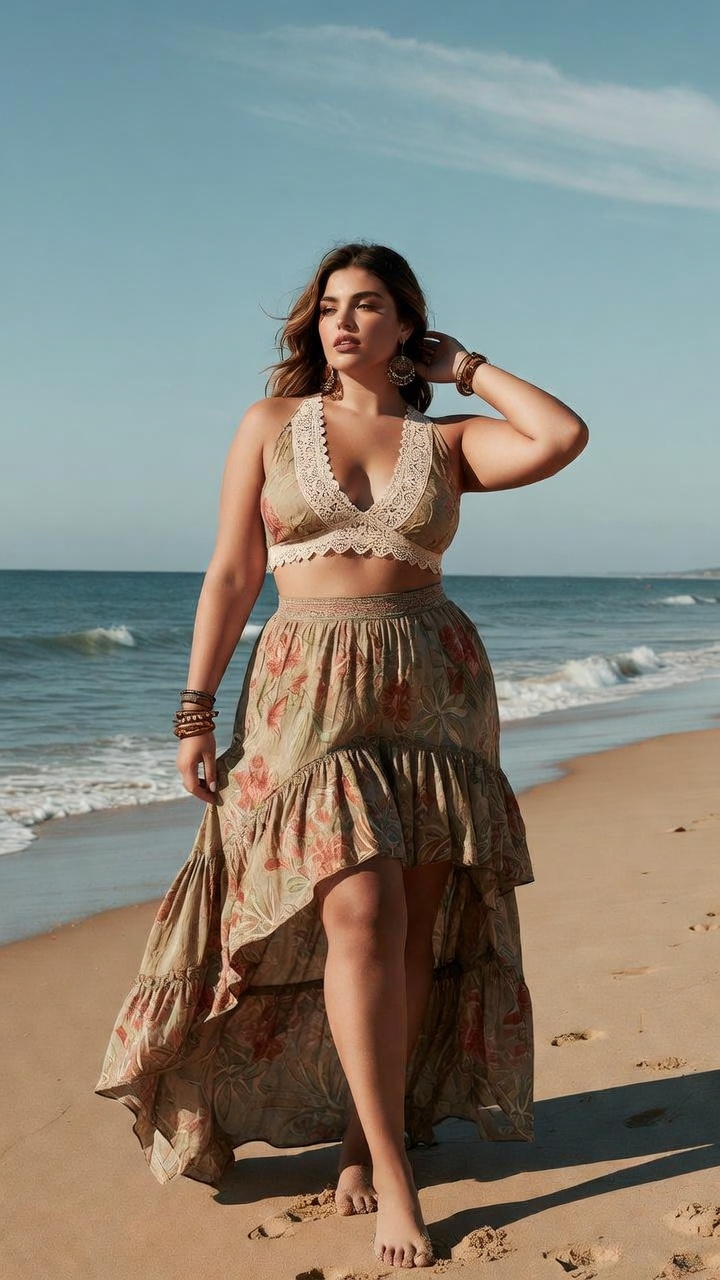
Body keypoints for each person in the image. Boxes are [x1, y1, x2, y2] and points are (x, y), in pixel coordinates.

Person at [96, 242, 588, 1269]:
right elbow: (233, 569)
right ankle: (397, 1181)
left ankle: (372, 1136)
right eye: (329, 307)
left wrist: (470, 368)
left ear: (408, 323)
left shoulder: (445, 440)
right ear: (311, 325)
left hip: (434, 692)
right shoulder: (271, 426)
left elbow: (560, 435)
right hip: (301, 695)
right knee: (356, 907)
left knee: (407, 926)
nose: (345, 323)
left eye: (369, 307)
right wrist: (195, 706)